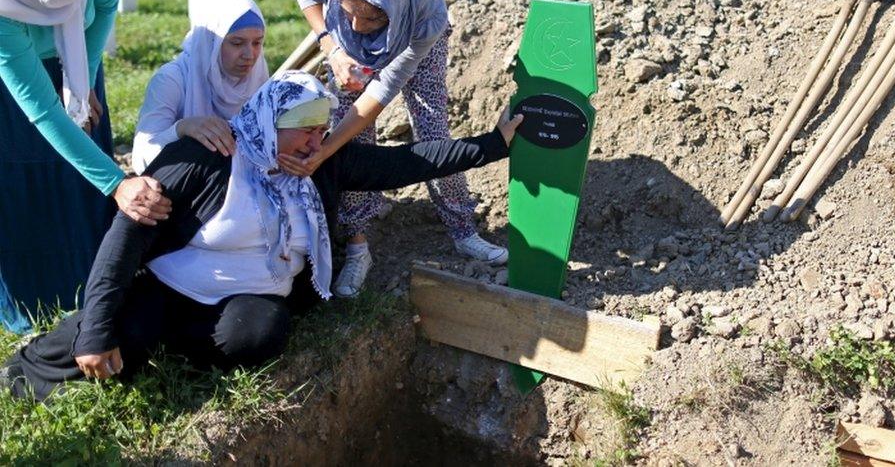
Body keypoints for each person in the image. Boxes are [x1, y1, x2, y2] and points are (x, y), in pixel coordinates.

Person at [0, 70, 521, 401]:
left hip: (240, 298)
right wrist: (97, 334)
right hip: (172, 287)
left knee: (260, 334)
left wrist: (495, 144)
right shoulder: (208, 158)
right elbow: (125, 237)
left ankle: (168, 343)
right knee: (121, 335)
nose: (316, 143)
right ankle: (25, 370)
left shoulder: (319, 162)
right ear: (271, 122)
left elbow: (406, 161)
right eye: (305, 131)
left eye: (323, 132)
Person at [291, 0, 505, 299]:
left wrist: (324, 151)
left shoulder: (426, 8)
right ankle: (358, 246)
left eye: (371, 19)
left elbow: (379, 96)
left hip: (418, 45)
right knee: (353, 143)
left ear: (391, 4)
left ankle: (463, 230)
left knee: (433, 130)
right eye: (349, 12)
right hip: (344, 51)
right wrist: (332, 47)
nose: (358, 25)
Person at [0, 0, 172, 331]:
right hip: (15, 91)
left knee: (81, 178)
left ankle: (93, 280)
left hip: (77, 56)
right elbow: (42, 112)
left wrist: (83, 81)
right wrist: (117, 184)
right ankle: (33, 301)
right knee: (28, 183)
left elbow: (106, 6)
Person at [131, 0, 269, 174]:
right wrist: (182, 129)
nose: (250, 54)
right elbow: (142, 158)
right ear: (210, 42)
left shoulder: (257, 76)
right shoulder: (172, 79)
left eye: (257, 43)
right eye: (237, 43)